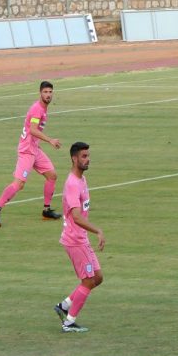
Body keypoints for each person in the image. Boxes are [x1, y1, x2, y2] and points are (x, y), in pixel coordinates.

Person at [0, 81, 62, 227]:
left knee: (52, 175)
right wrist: (50, 140)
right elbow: (33, 130)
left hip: (35, 148)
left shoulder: (43, 108)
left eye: (50, 92)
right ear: (40, 93)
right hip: (27, 150)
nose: (48, 95)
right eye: (45, 92)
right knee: (19, 184)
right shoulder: (37, 109)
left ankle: (46, 211)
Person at [53, 142, 106, 333]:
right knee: (88, 281)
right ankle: (69, 322)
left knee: (97, 277)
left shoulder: (81, 180)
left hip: (81, 238)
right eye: (84, 156)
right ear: (74, 158)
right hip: (75, 240)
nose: (88, 159)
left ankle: (64, 305)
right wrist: (97, 230)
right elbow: (75, 216)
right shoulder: (73, 184)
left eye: (88, 155)